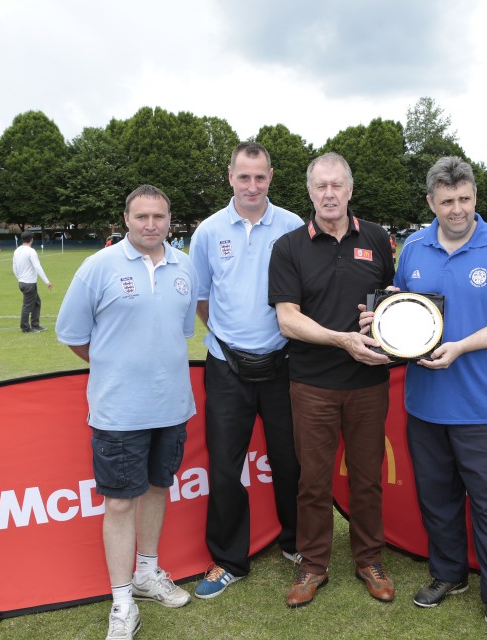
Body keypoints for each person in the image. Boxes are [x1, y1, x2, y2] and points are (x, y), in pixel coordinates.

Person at [375, 156, 487, 639]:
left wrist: (462, 346)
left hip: (481, 407)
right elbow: (402, 304)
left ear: (474, 197)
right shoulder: (414, 246)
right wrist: (383, 312)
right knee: (437, 500)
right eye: (447, 201)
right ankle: (448, 574)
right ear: (431, 202)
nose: (457, 209)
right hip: (424, 404)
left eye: (464, 199)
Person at [56, 185, 196, 640]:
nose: (150, 224)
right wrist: (116, 366)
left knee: (157, 489)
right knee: (119, 501)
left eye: (158, 216)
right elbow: (75, 335)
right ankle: (121, 601)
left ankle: (147, 573)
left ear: (169, 220)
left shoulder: (184, 266)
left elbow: (178, 331)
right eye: (141, 217)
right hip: (118, 410)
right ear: (126, 219)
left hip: (171, 404)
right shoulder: (98, 266)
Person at [268, 152, 396, 608]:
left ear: (350, 189)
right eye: (320, 186)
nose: (329, 194)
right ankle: (313, 564)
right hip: (311, 384)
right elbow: (287, 320)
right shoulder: (288, 247)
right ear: (309, 191)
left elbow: (391, 300)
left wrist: (389, 310)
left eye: (337, 185)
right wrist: (342, 340)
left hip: (368, 385)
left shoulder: (379, 239)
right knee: (313, 482)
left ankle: (369, 559)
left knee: (367, 478)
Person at [189, 142, 304, 599]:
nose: (252, 185)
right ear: (230, 177)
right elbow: (201, 297)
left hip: (284, 364)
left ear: (271, 177)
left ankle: (297, 545)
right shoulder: (208, 230)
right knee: (224, 467)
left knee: (291, 462)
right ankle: (229, 560)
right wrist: (227, 336)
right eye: (244, 177)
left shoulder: (294, 225)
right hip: (226, 366)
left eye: (260, 177)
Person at [12, 231, 52, 333]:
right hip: (29, 283)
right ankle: (25, 327)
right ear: (32, 239)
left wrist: (19, 279)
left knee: (36, 302)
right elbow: (37, 266)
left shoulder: (17, 251)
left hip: (22, 282)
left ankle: (35, 324)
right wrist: (47, 281)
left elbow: (14, 267)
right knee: (27, 305)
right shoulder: (31, 251)